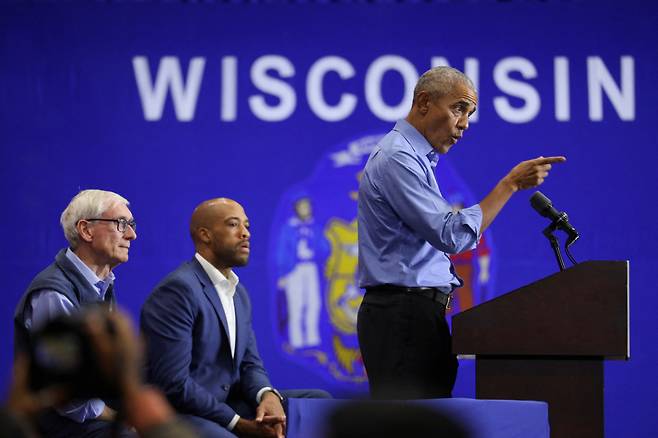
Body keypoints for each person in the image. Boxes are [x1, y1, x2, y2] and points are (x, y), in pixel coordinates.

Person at [356, 66, 565, 400]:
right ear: (424, 102)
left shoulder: (415, 157)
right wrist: (509, 184)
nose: (465, 123)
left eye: (469, 113)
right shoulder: (397, 157)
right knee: (406, 428)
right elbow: (451, 235)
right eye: (459, 108)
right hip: (403, 317)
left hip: (416, 315)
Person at [141, 198, 330, 438]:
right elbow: (174, 384)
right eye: (233, 225)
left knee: (318, 403)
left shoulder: (238, 292)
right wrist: (237, 423)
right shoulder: (179, 290)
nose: (245, 234)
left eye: (247, 226)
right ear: (205, 235)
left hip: (229, 405)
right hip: (184, 413)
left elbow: (250, 363)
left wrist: (267, 395)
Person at [13, 189, 138, 437]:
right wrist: (122, 417)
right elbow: (66, 396)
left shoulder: (101, 284)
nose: (133, 235)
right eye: (121, 223)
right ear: (86, 230)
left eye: (132, 225)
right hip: (60, 423)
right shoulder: (53, 294)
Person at [2, 309, 199, 438]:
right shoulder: (52, 290)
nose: (131, 241)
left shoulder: (103, 285)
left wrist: (14, 415)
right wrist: (132, 390)